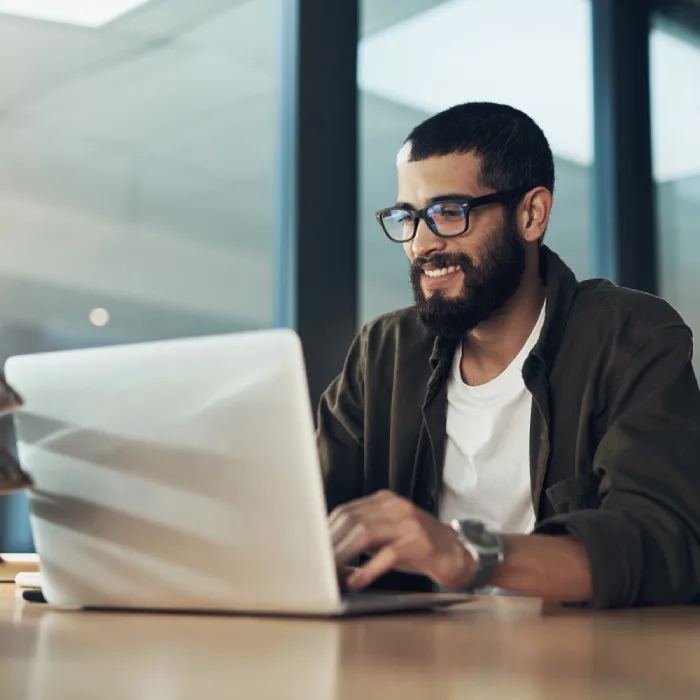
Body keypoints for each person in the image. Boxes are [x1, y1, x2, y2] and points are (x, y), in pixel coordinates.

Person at [318, 102, 700, 609]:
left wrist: (468, 555)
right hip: (411, 664)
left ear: (531, 214)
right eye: (408, 217)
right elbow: (306, 508)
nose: (422, 243)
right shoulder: (382, 352)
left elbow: (663, 542)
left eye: (448, 213)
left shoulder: (631, 337)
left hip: (577, 668)